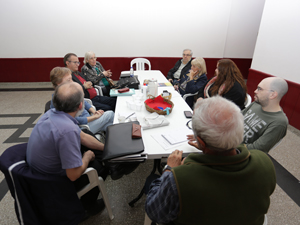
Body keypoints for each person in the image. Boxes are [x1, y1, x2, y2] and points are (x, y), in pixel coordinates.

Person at [145, 96, 276, 225]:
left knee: (151, 180)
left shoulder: (179, 178)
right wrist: (207, 147)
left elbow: (155, 213)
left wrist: (169, 169)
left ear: (200, 142)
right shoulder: (264, 161)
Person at [26, 82, 108, 218]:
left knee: (94, 147)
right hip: (52, 183)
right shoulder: (66, 130)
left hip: (40, 172)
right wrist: (86, 157)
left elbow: (82, 136)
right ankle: (86, 208)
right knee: (100, 168)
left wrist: (106, 148)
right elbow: (73, 175)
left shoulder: (53, 113)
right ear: (81, 105)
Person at [49, 67, 114, 134]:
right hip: (83, 127)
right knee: (110, 114)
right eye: (69, 80)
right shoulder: (60, 100)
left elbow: (84, 102)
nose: (72, 82)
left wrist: (94, 112)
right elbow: (73, 119)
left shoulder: (69, 92)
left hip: (88, 120)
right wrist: (93, 117)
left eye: (71, 79)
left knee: (109, 125)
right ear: (58, 83)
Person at [242, 77, 289, 152]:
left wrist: (228, 146)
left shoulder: (279, 122)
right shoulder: (257, 103)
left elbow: (257, 149)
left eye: (259, 89)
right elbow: (237, 117)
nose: (255, 91)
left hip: (238, 153)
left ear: (272, 95)